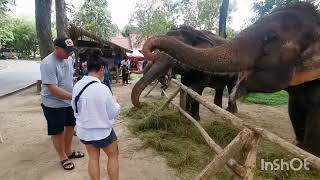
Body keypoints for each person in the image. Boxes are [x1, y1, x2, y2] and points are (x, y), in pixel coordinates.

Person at [71, 48, 120, 180]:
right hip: (102, 132)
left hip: (85, 131)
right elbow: (112, 113)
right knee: (113, 155)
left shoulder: (77, 85)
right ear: (102, 68)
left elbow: (74, 107)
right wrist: (116, 103)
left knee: (93, 157)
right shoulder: (103, 89)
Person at [40, 37, 85, 171]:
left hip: (68, 101)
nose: (70, 54)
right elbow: (52, 89)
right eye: (67, 51)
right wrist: (74, 96)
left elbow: (68, 80)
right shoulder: (48, 64)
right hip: (53, 104)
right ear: (57, 48)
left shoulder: (69, 59)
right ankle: (63, 156)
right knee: (57, 131)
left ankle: (69, 151)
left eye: (71, 51)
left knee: (70, 125)